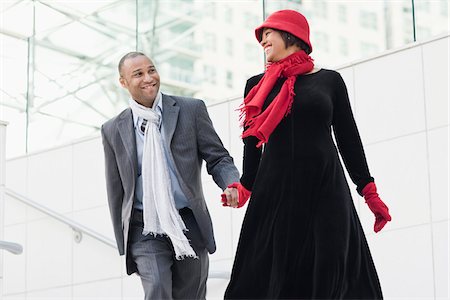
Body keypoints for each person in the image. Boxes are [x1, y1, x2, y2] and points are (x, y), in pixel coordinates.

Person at [222, 10, 392, 299]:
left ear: (291, 34)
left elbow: (349, 139)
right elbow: (251, 143)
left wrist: (369, 191)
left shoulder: (330, 81)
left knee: (330, 266)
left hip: (325, 190)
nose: (262, 39)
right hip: (276, 193)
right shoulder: (256, 86)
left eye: (268, 32)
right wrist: (244, 186)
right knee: (272, 273)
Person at [101, 51, 240, 300]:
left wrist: (231, 183)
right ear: (123, 82)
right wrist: (123, 242)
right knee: (157, 288)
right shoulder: (113, 129)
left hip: (188, 222)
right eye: (138, 74)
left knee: (191, 295)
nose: (148, 78)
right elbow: (116, 188)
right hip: (144, 227)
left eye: (151, 70)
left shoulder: (190, 110)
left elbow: (218, 157)